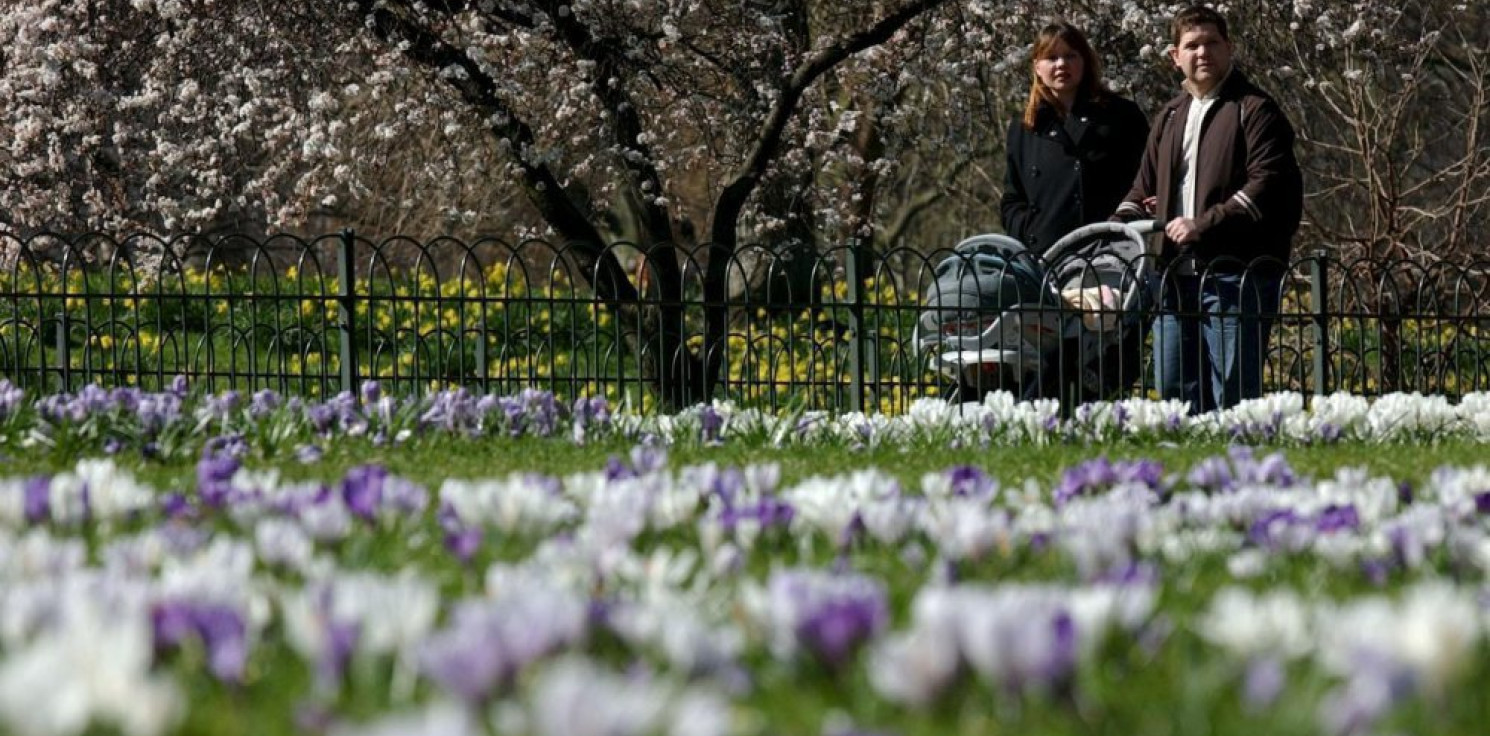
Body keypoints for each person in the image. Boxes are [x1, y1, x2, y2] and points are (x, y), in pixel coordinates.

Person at [1112, 4, 1303, 413]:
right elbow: (1141, 187)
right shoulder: (1170, 115)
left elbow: (1266, 184)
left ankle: (1238, 472)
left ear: (1229, 48)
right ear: (1174, 56)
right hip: (1173, 277)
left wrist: (1203, 223)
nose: (1203, 53)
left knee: (1233, 399)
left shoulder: (1254, 110)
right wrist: (1116, 225)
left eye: (1212, 43)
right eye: (1192, 45)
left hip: (1235, 274)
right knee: (1174, 397)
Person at [998, 21, 1149, 406]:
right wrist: (1028, 230)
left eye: (1070, 55)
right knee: (1050, 356)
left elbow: (1147, 179)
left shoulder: (1121, 117)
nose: (1060, 64)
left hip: (1111, 259)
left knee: (1108, 354)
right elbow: (1012, 197)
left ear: (1085, 61)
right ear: (1036, 66)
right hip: (1047, 261)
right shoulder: (1024, 126)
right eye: (1050, 57)